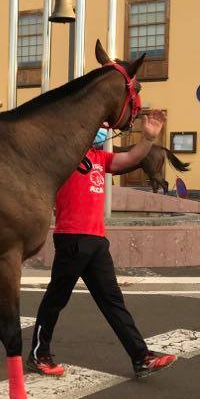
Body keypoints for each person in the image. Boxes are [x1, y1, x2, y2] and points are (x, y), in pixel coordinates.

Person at [26, 114, 178, 380]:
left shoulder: (100, 158)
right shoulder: (62, 157)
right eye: (98, 128)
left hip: (97, 240)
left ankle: (141, 357)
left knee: (113, 301)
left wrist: (148, 139)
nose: (103, 132)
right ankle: (39, 355)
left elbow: (131, 158)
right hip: (72, 237)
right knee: (56, 299)